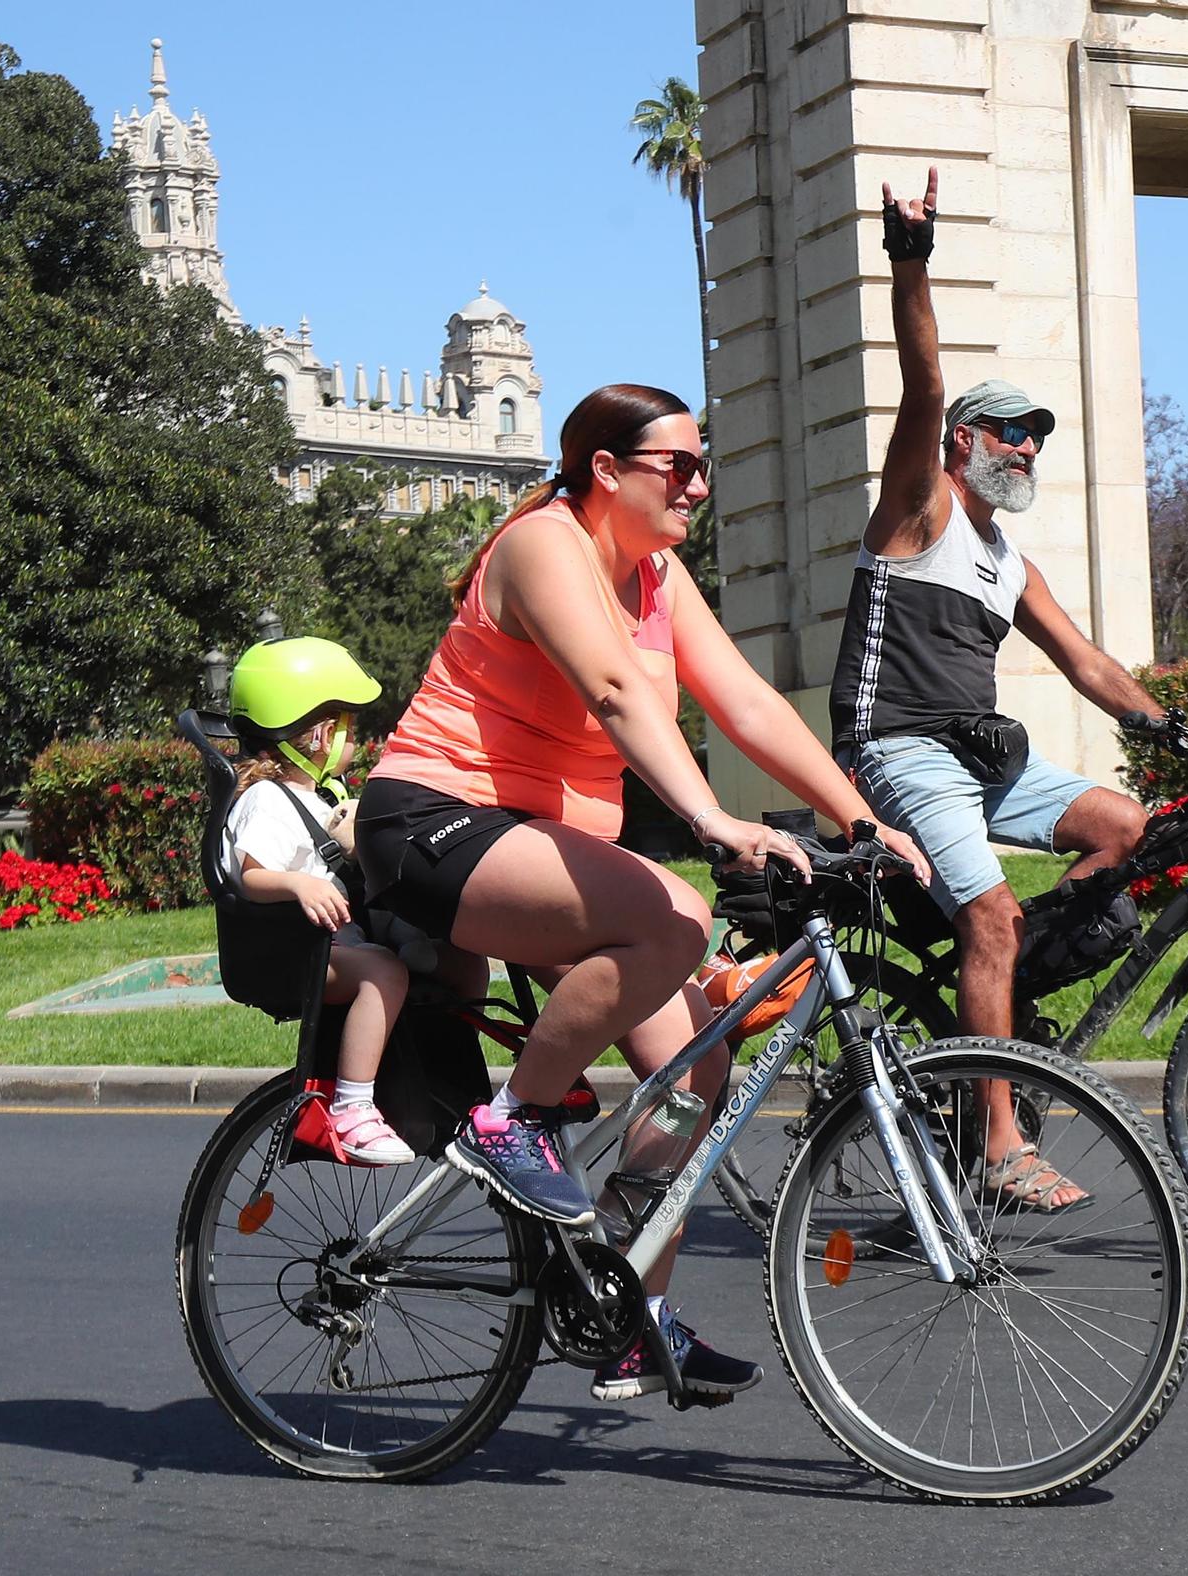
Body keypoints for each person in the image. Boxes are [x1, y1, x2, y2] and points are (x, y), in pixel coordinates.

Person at [358, 382, 929, 1404]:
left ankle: (627, 1312)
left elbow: (745, 699)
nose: (698, 484)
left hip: (542, 849)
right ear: (604, 471)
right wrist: (713, 821)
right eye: (678, 465)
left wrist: (859, 818)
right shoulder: (542, 544)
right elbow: (614, 692)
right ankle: (514, 1121)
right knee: (673, 911)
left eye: (703, 465)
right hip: (436, 823)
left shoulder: (657, 575)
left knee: (693, 1072)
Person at [827, 168, 1164, 1215]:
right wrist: (909, 259)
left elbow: (1088, 665)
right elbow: (922, 379)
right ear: (963, 444)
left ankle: (999, 997)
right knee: (988, 911)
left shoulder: (1006, 561)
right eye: (1008, 431)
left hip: (980, 752)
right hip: (896, 746)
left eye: (1034, 435)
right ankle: (997, 1141)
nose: (1024, 446)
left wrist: (1175, 729)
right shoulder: (917, 510)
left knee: (1128, 828)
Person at [224, 637, 414, 1168]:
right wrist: (299, 885)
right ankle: (354, 1109)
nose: (355, 737)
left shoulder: (316, 796)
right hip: (298, 955)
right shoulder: (268, 800)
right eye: (350, 726)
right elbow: (251, 876)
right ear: (320, 734)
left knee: (428, 949)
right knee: (385, 975)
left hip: (326, 944)